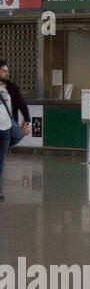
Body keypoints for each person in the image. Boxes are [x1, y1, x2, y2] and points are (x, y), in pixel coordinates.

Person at [0, 59, 33, 202]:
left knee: (0, 161)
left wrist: (28, 122)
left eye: (7, 70)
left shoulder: (11, 88)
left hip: (6, 128)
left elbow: (22, 105)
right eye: (3, 70)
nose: (7, 73)